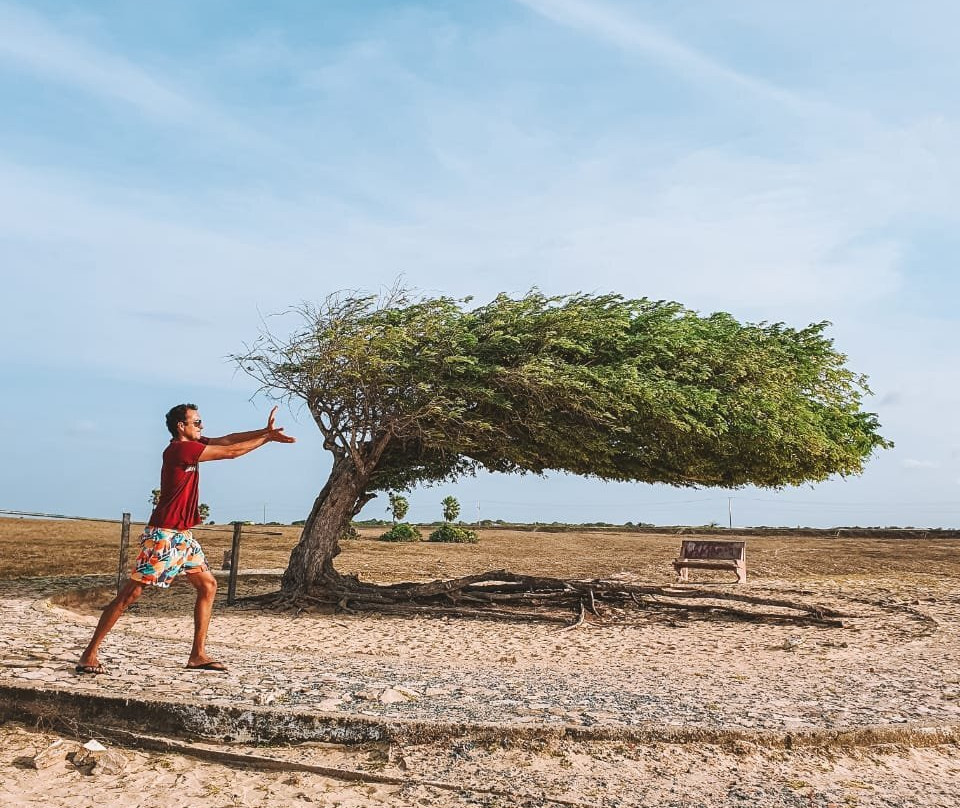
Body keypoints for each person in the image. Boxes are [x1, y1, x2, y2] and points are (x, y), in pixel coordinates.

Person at [76, 403, 295, 675]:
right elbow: (230, 453)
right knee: (129, 595)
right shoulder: (180, 449)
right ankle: (89, 654)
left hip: (182, 536)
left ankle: (198, 655)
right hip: (164, 534)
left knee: (208, 585)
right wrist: (267, 439)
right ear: (182, 426)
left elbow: (227, 440)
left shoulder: (194, 443)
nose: (201, 426)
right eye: (196, 422)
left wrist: (263, 430)